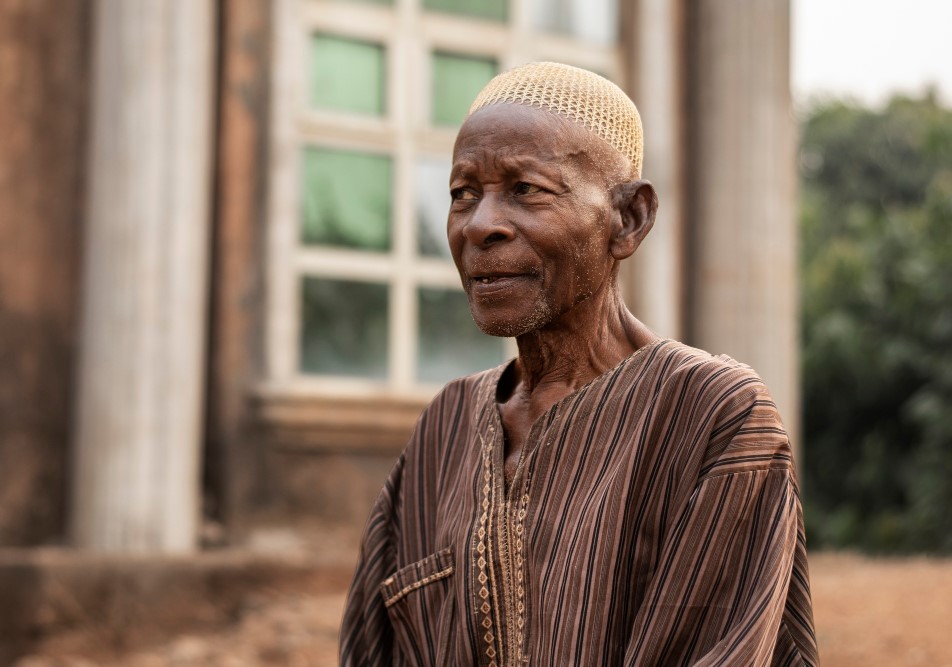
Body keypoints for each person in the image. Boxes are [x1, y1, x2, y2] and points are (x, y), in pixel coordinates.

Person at [339, 62, 818, 666]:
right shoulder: (442, 431)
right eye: (463, 195)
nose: (480, 225)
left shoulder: (711, 415)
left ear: (629, 220)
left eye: (527, 190)